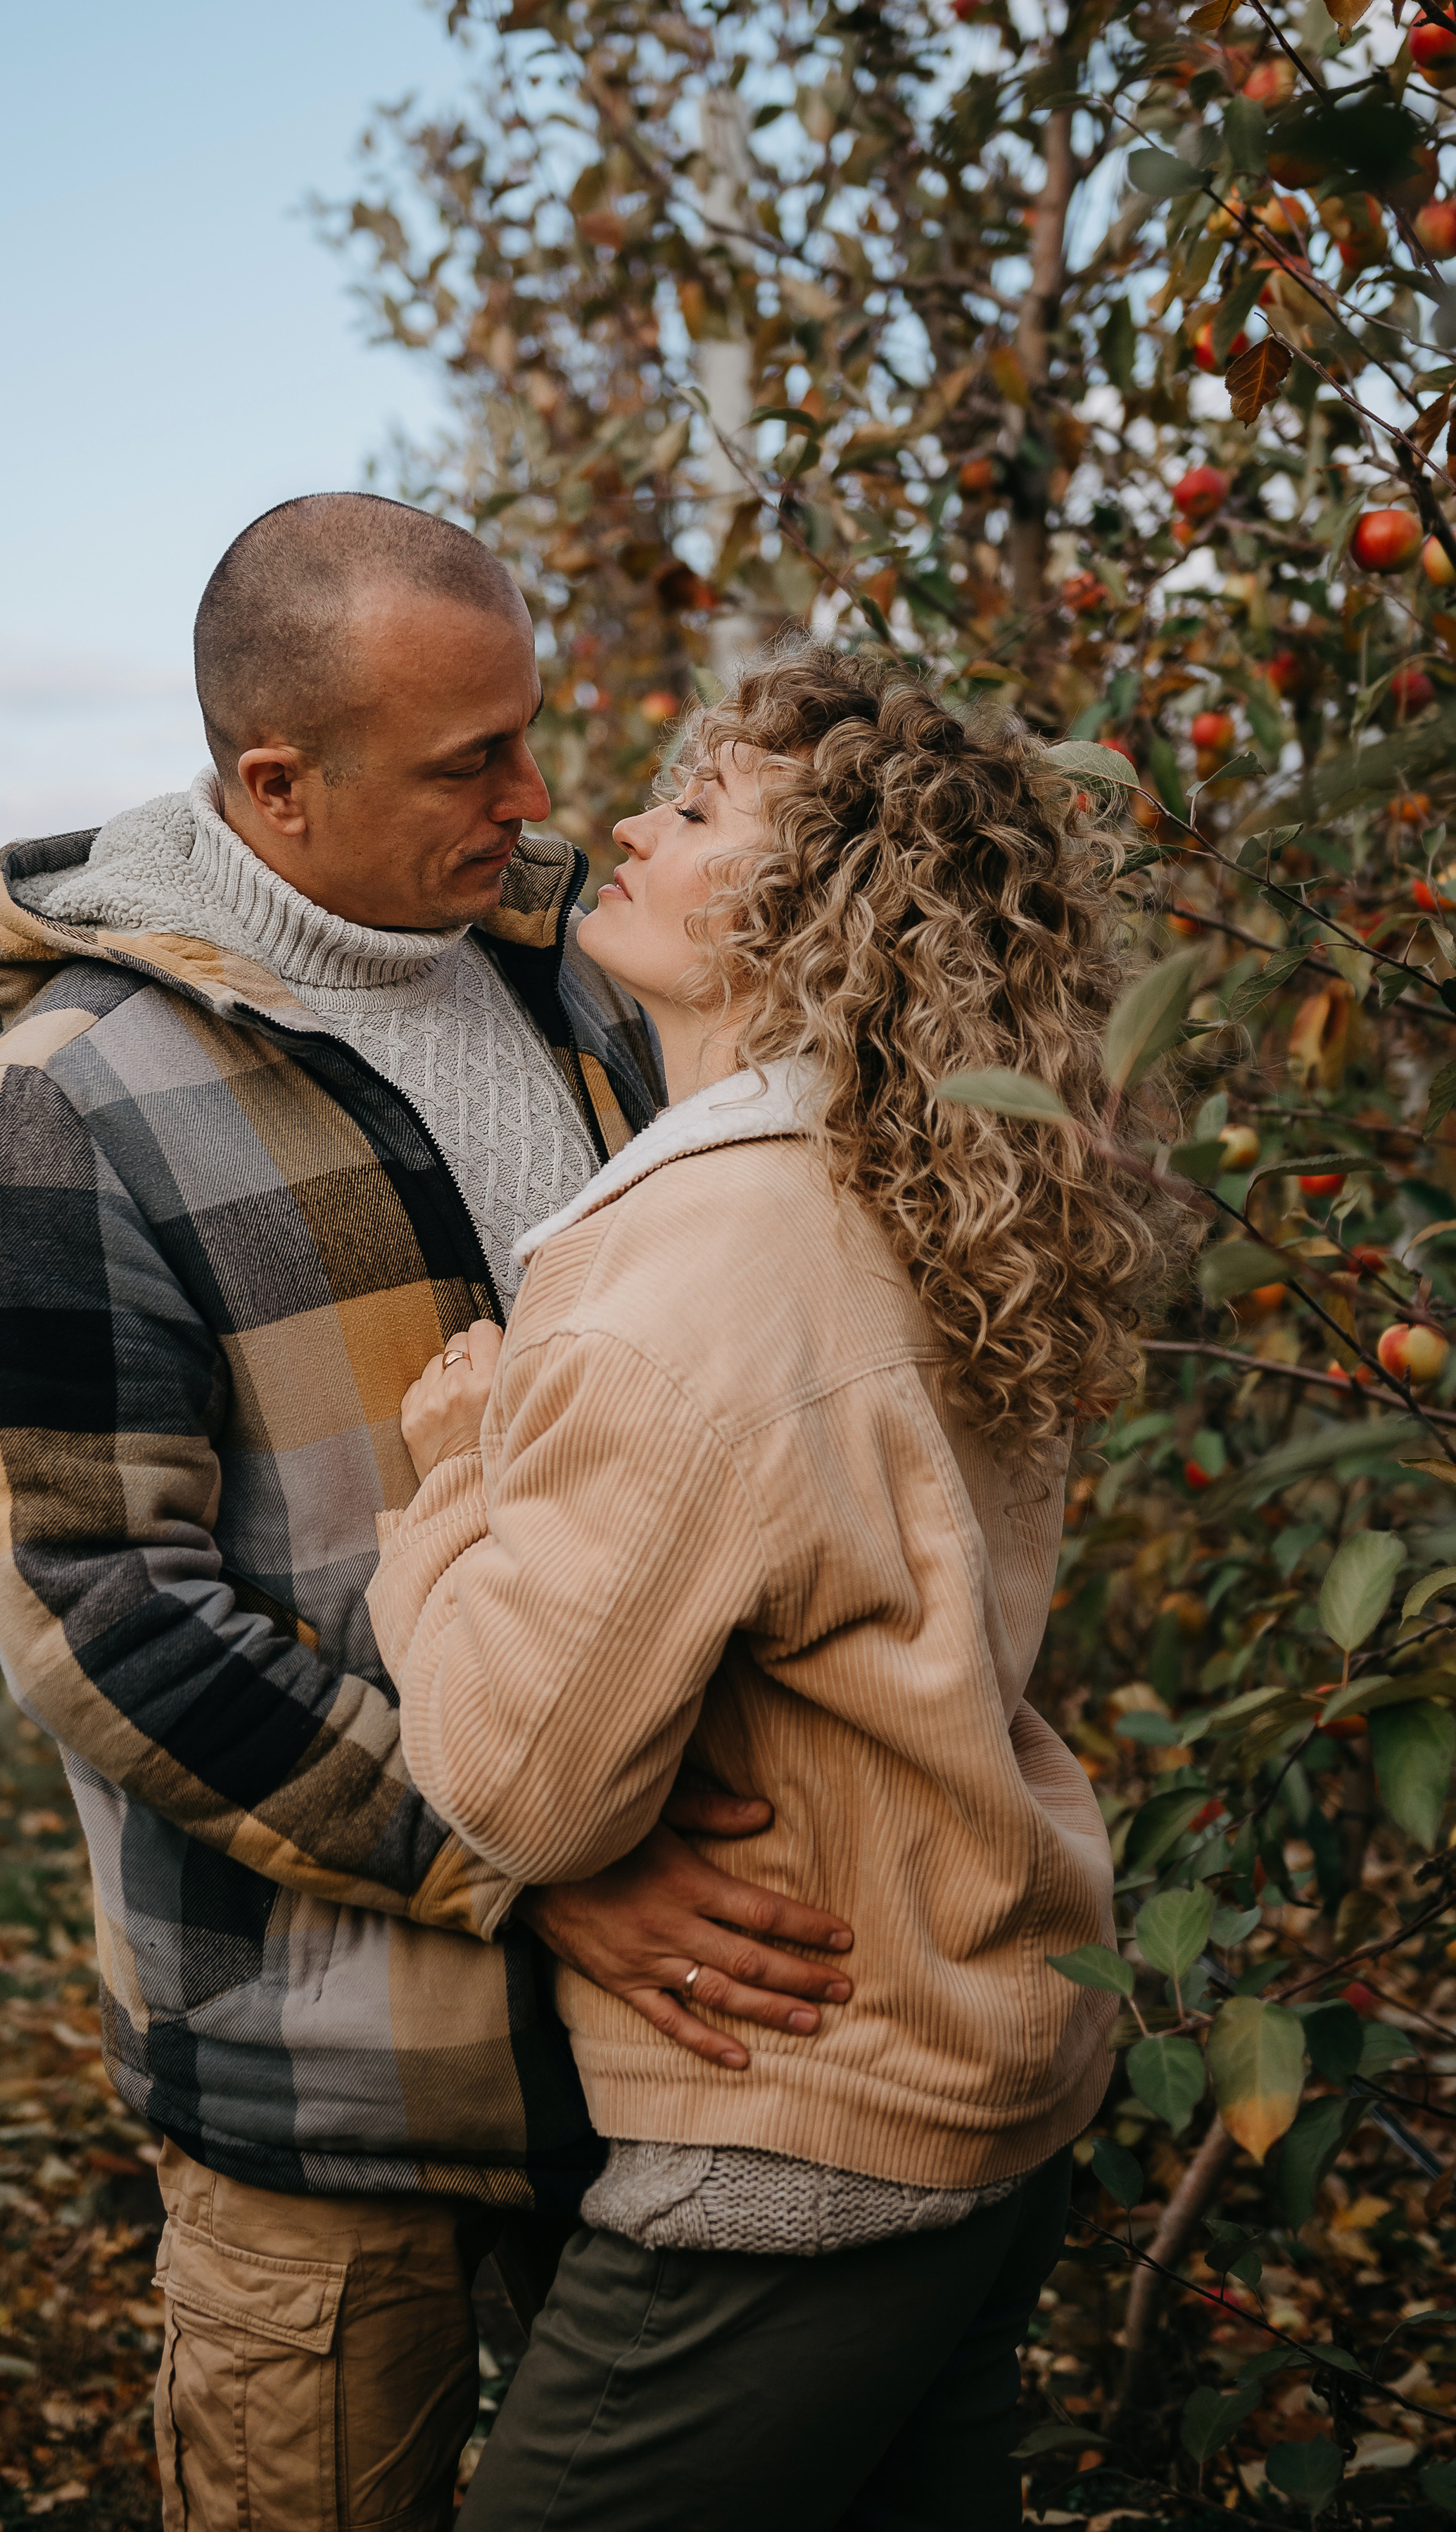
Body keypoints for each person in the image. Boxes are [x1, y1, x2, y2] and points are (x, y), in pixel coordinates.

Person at [0, 495, 858, 2532]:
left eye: (530, 732)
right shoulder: (74, 1103)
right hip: (337, 2073)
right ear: (280, 783)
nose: (535, 799)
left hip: (671, 2044)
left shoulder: (582, 988)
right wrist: (521, 1859)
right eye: (471, 762)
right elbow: (102, 1613)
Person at [369, 640, 1180, 2531]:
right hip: (987, 2069)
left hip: (805, 2131)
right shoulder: (928, 1187)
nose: (629, 826)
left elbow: (522, 1788)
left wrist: (449, 1491)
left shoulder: (694, 1276)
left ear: (813, 910)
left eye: (701, 808)